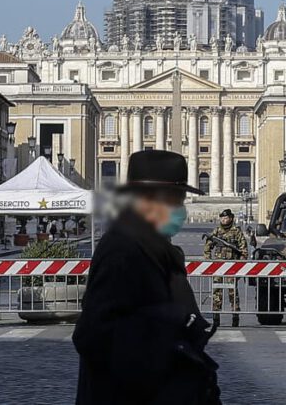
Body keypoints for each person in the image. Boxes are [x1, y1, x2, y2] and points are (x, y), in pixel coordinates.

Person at [73, 150, 220, 405]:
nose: (182, 210)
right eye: (178, 201)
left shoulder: (149, 245)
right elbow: (95, 334)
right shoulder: (124, 249)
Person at [204, 209, 248, 328]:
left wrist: (240, 265)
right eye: (222, 218)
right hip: (218, 267)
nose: (224, 220)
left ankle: (235, 316)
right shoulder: (217, 231)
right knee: (217, 292)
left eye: (226, 218)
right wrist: (209, 262)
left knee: (233, 292)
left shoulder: (237, 232)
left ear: (231, 218)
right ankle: (216, 317)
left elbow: (244, 250)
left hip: (232, 267)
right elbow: (207, 247)